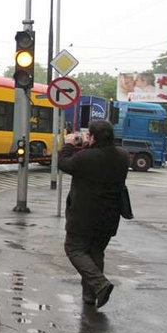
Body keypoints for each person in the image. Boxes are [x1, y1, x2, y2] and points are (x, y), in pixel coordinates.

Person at [59, 120, 130, 309]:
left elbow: (64, 164)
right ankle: (90, 296)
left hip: (83, 216)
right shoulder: (123, 156)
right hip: (109, 217)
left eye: (89, 135)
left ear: (93, 137)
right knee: (95, 252)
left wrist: (68, 145)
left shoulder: (86, 157)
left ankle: (100, 284)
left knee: (74, 249)